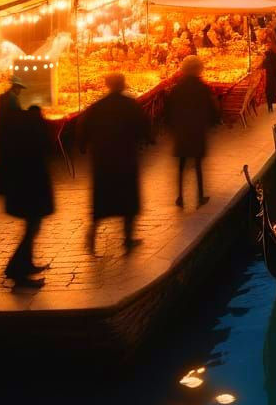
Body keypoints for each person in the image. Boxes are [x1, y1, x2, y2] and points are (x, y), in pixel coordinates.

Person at [78, 73, 151, 255]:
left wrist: (82, 146)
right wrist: (149, 139)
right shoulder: (130, 105)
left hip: (103, 161)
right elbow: (143, 126)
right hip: (125, 159)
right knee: (128, 201)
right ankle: (127, 239)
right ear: (122, 85)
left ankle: (92, 235)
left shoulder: (97, 107)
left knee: (102, 202)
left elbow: (83, 128)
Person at [1, 101, 54, 289]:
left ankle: (25, 265)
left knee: (31, 229)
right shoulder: (36, 135)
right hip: (33, 195)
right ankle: (17, 271)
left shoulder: (19, 137)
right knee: (31, 230)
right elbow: (49, 147)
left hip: (24, 195)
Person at [163, 56, 219, 208]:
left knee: (181, 165)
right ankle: (199, 197)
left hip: (181, 131)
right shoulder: (203, 88)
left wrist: (172, 128)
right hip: (196, 131)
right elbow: (212, 111)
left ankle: (180, 196)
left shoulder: (176, 89)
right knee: (198, 164)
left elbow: (167, 111)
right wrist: (212, 123)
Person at [0, 74, 26, 199]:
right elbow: (17, 116)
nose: (20, 92)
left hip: (2, 134)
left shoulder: (2, 97)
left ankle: (2, 188)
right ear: (16, 87)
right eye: (20, 89)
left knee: (4, 162)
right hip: (11, 135)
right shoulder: (13, 98)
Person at [260, 14, 276, 111]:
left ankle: (270, 103)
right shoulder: (269, 32)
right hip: (272, 60)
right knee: (271, 82)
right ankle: (270, 104)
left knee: (270, 82)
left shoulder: (267, 33)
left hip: (271, 60)